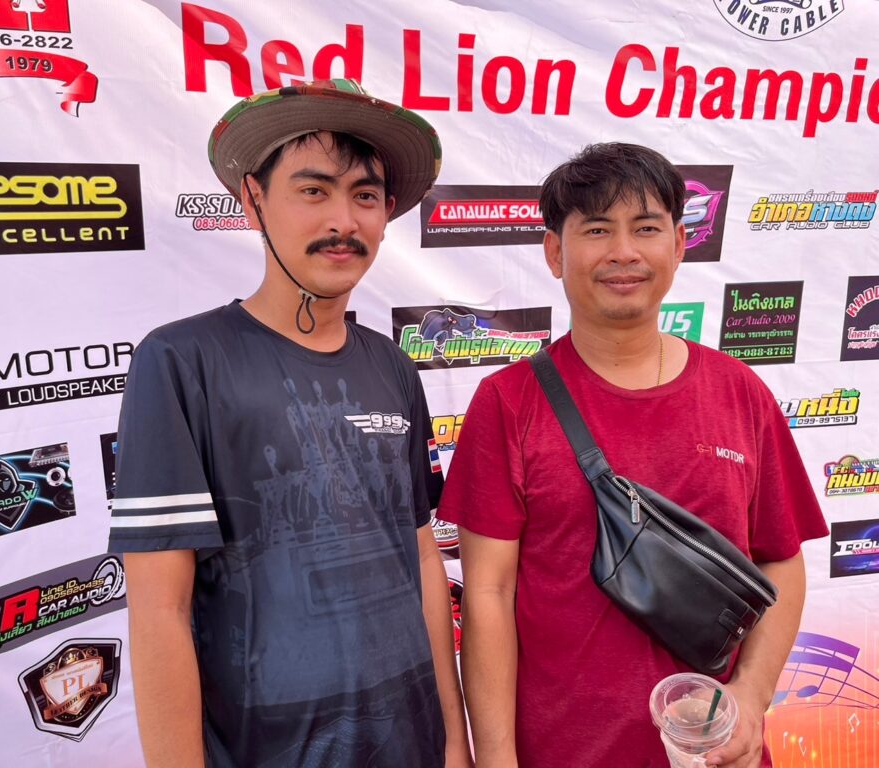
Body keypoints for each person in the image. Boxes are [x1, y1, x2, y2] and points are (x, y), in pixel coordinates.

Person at [107, 79, 470, 768]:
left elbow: (423, 554)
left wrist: (454, 738)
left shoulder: (394, 366)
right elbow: (158, 611)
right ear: (253, 201)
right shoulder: (181, 361)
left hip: (412, 743)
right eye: (313, 190)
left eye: (365, 196)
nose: (343, 220)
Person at [437, 143, 828, 768]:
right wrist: (498, 757)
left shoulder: (739, 392)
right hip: (561, 750)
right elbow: (488, 590)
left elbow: (781, 561)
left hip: (715, 753)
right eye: (597, 230)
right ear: (555, 253)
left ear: (679, 243)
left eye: (645, 228)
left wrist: (751, 697)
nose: (624, 252)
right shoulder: (508, 402)